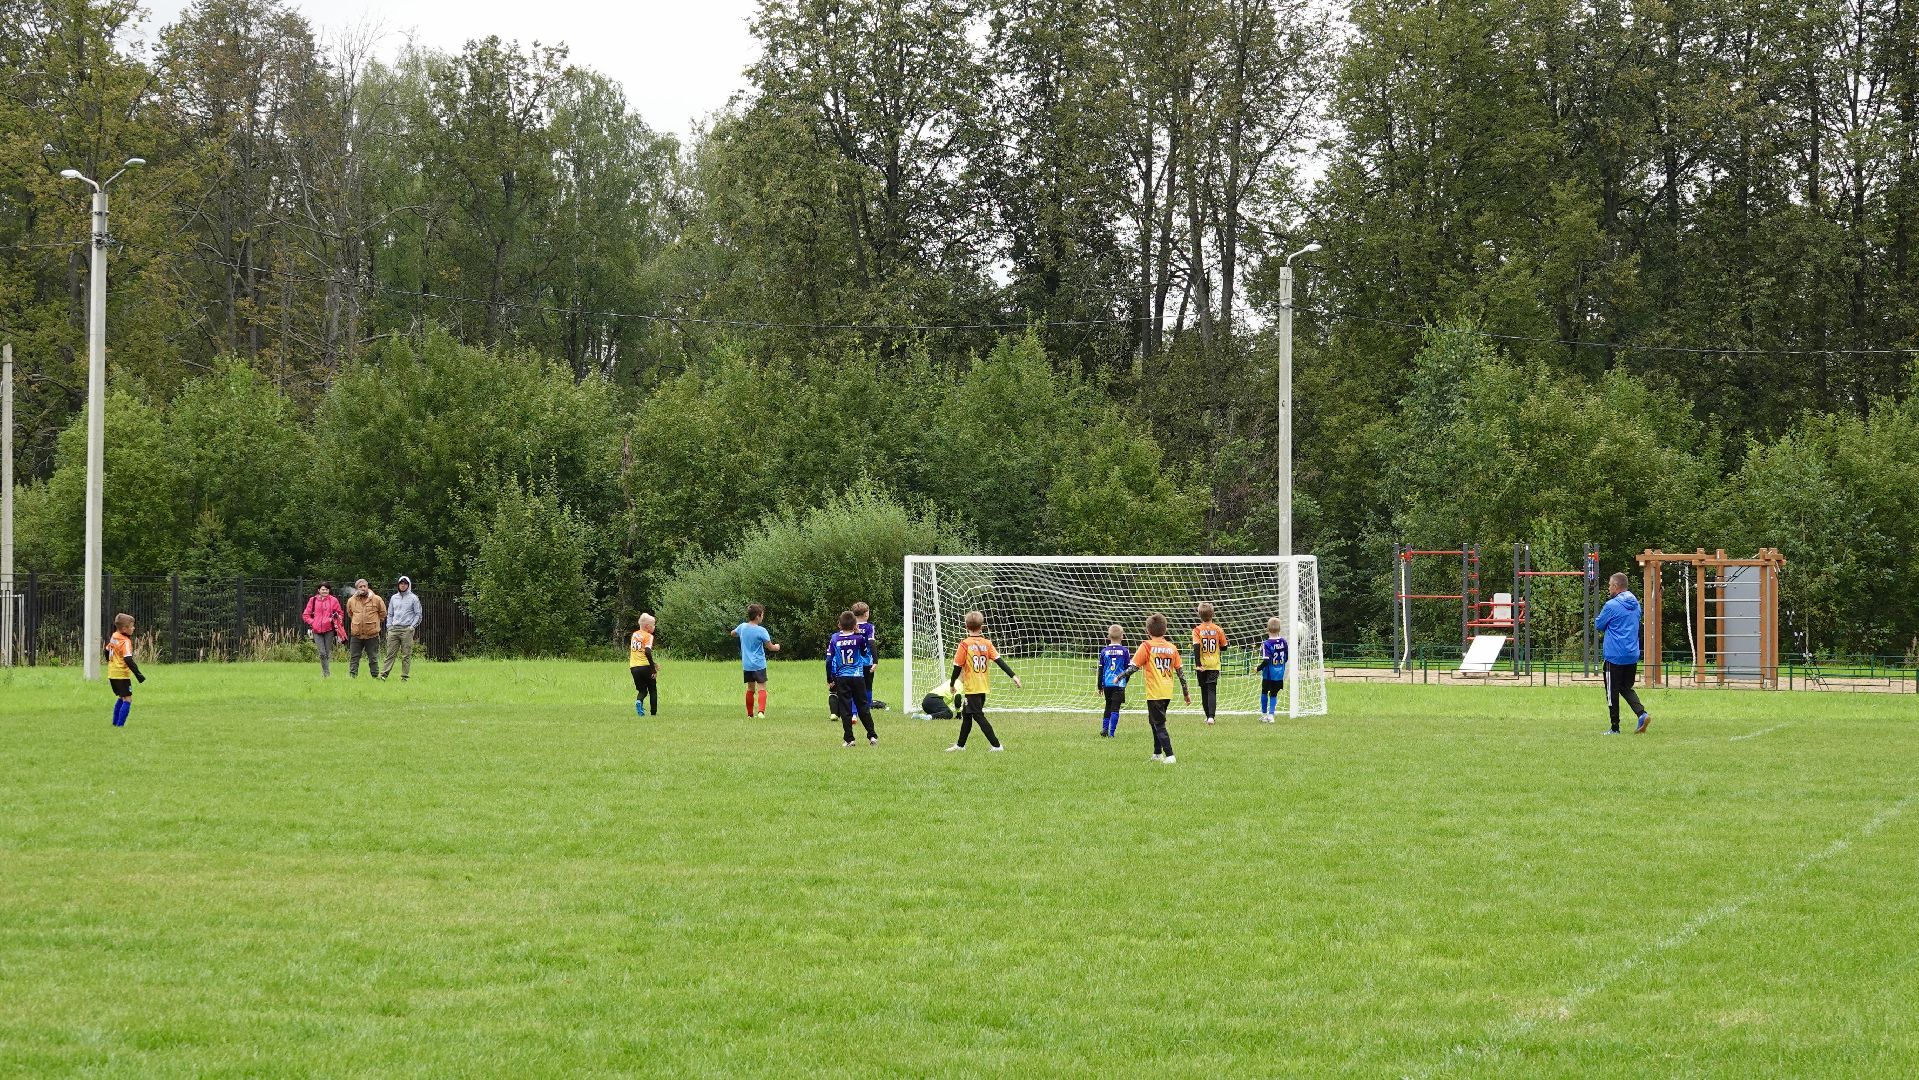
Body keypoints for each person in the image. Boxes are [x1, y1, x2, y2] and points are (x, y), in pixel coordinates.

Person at [944, 610, 1021, 752]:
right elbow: (1000, 661)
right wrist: (1013, 675)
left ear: (966, 626)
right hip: (982, 687)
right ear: (982, 626)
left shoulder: (964, 645)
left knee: (978, 716)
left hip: (973, 688)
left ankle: (997, 745)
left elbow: (957, 667)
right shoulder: (987, 643)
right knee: (967, 715)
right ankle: (960, 745)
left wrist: (952, 683)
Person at [1122, 612, 1191, 764]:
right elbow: (1181, 673)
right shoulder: (1172, 648)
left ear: (1148, 631)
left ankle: (1170, 755)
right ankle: (1157, 753)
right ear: (1165, 630)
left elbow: (1133, 667)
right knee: (1154, 721)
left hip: (1155, 692)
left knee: (1159, 724)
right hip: (1167, 692)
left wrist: (1119, 677)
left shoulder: (1146, 646)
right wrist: (1186, 693)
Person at [1595, 572, 1651, 734]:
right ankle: (1642, 714)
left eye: (1610, 585)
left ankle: (1615, 728)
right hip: (1631, 654)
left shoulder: (1611, 606)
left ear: (1616, 586)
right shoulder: (1636, 604)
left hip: (1614, 656)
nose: (1608, 588)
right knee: (1626, 687)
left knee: (1612, 693)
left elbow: (1599, 624)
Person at [827, 610, 877, 746]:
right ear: (855, 625)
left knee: (845, 709)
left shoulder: (835, 638)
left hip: (842, 677)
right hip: (857, 677)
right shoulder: (859, 639)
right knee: (863, 707)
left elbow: (829, 660)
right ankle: (872, 736)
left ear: (839, 625)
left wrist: (829, 679)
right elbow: (863, 652)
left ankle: (849, 739)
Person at [731, 603, 780, 718]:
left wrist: (738, 634)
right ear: (758, 616)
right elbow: (770, 647)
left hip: (747, 665)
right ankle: (761, 712)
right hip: (759, 664)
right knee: (762, 688)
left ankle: (749, 714)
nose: (762, 617)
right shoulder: (761, 631)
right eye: (762, 615)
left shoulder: (742, 627)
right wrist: (777, 647)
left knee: (750, 689)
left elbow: (733, 633)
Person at [104, 612, 146, 727]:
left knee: (122, 697)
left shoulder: (114, 636)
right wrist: (138, 674)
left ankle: (115, 723)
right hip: (122, 674)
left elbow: (106, 650)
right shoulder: (125, 641)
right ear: (124, 629)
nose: (134, 628)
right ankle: (120, 725)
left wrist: (110, 662)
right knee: (128, 699)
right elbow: (128, 659)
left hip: (112, 673)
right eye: (132, 626)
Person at [1191, 602, 1227, 724]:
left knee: (1204, 690)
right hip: (1214, 665)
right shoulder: (1218, 629)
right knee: (1211, 690)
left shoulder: (1197, 630)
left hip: (1201, 665)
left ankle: (1207, 716)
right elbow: (1224, 647)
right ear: (1212, 614)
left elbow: (1196, 647)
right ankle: (1211, 717)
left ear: (1199, 615)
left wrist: (1198, 664)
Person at [382, 576, 422, 682]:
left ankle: (404, 677)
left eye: (405, 583)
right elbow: (390, 613)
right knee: (390, 653)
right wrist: (389, 626)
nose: (403, 585)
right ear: (398, 585)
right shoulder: (394, 598)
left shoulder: (414, 598)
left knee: (406, 654)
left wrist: (412, 627)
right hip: (394, 629)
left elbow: (418, 614)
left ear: (408, 585)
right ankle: (383, 675)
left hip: (406, 630)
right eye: (401, 583)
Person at [344, 579, 387, 679]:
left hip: (372, 634)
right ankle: (352, 676)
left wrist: (374, 623)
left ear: (367, 587)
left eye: (364, 586)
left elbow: (383, 613)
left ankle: (375, 676)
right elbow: (350, 614)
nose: (363, 588)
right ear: (357, 589)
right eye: (360, 587)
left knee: (373, 657)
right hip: (356, 634)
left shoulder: (377, 599)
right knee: (354, 657)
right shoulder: (351, 600)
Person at [301, 582, 345, 677]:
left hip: (329, 630)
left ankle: (325, 673)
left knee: (327, 652)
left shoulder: (334, 600)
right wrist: (313, 622)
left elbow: (340, 613)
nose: (324, 591)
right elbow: (305, 615)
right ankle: (326, 673)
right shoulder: (312, 600)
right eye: (323, 589)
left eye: (326, 589)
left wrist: (334, 619)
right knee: (322, 652)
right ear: (319, 590)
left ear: (329, 590)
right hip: (316, 630)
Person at [1096, 624, 1130, 737]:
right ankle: (1111, 733)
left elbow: (1101, 670)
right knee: (1115, 708)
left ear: (1108, 636)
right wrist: (1125, 683)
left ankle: (1104, 729)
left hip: (1107, 684)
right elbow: (1128, 670)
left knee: (1108, 705)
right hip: (1119, 683)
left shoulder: (1104, 651)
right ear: (1122, 636)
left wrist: (1100, 686)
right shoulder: (1125, 651)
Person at [852, 601, 886, 710]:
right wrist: (875, 661)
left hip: (852, 662)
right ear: (866, 614)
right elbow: (871, 643)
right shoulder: (869, 627)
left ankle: (853, 708)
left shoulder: (850, 626)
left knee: (853, 686)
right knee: (868, 685)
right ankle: (866, 708)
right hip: (867, 662)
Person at [1258, 616, 1290, 724]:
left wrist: (1258, 668)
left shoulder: (1266, 644)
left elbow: (1266, 661)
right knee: (1274, 694)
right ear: (1279, 629)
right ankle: (1271, 715)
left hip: (1268, 675)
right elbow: (1286, 658)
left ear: (1267, 629)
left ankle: (1263, 715)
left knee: (1264, 692)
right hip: (1279, 674)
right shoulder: (1284, 642)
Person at [629, 613, 659, 716]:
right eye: (653, 624)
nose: (654, 627)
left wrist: (653, 663)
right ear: (647, 626)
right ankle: (653, 713)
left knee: (642, 690)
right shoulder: (648, 636)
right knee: (652, 689)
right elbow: (647, 651)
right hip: (645, 666)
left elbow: (639, 652)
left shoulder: (634, 635)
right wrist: (653, 668)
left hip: (633, 667)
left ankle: (639, 701)